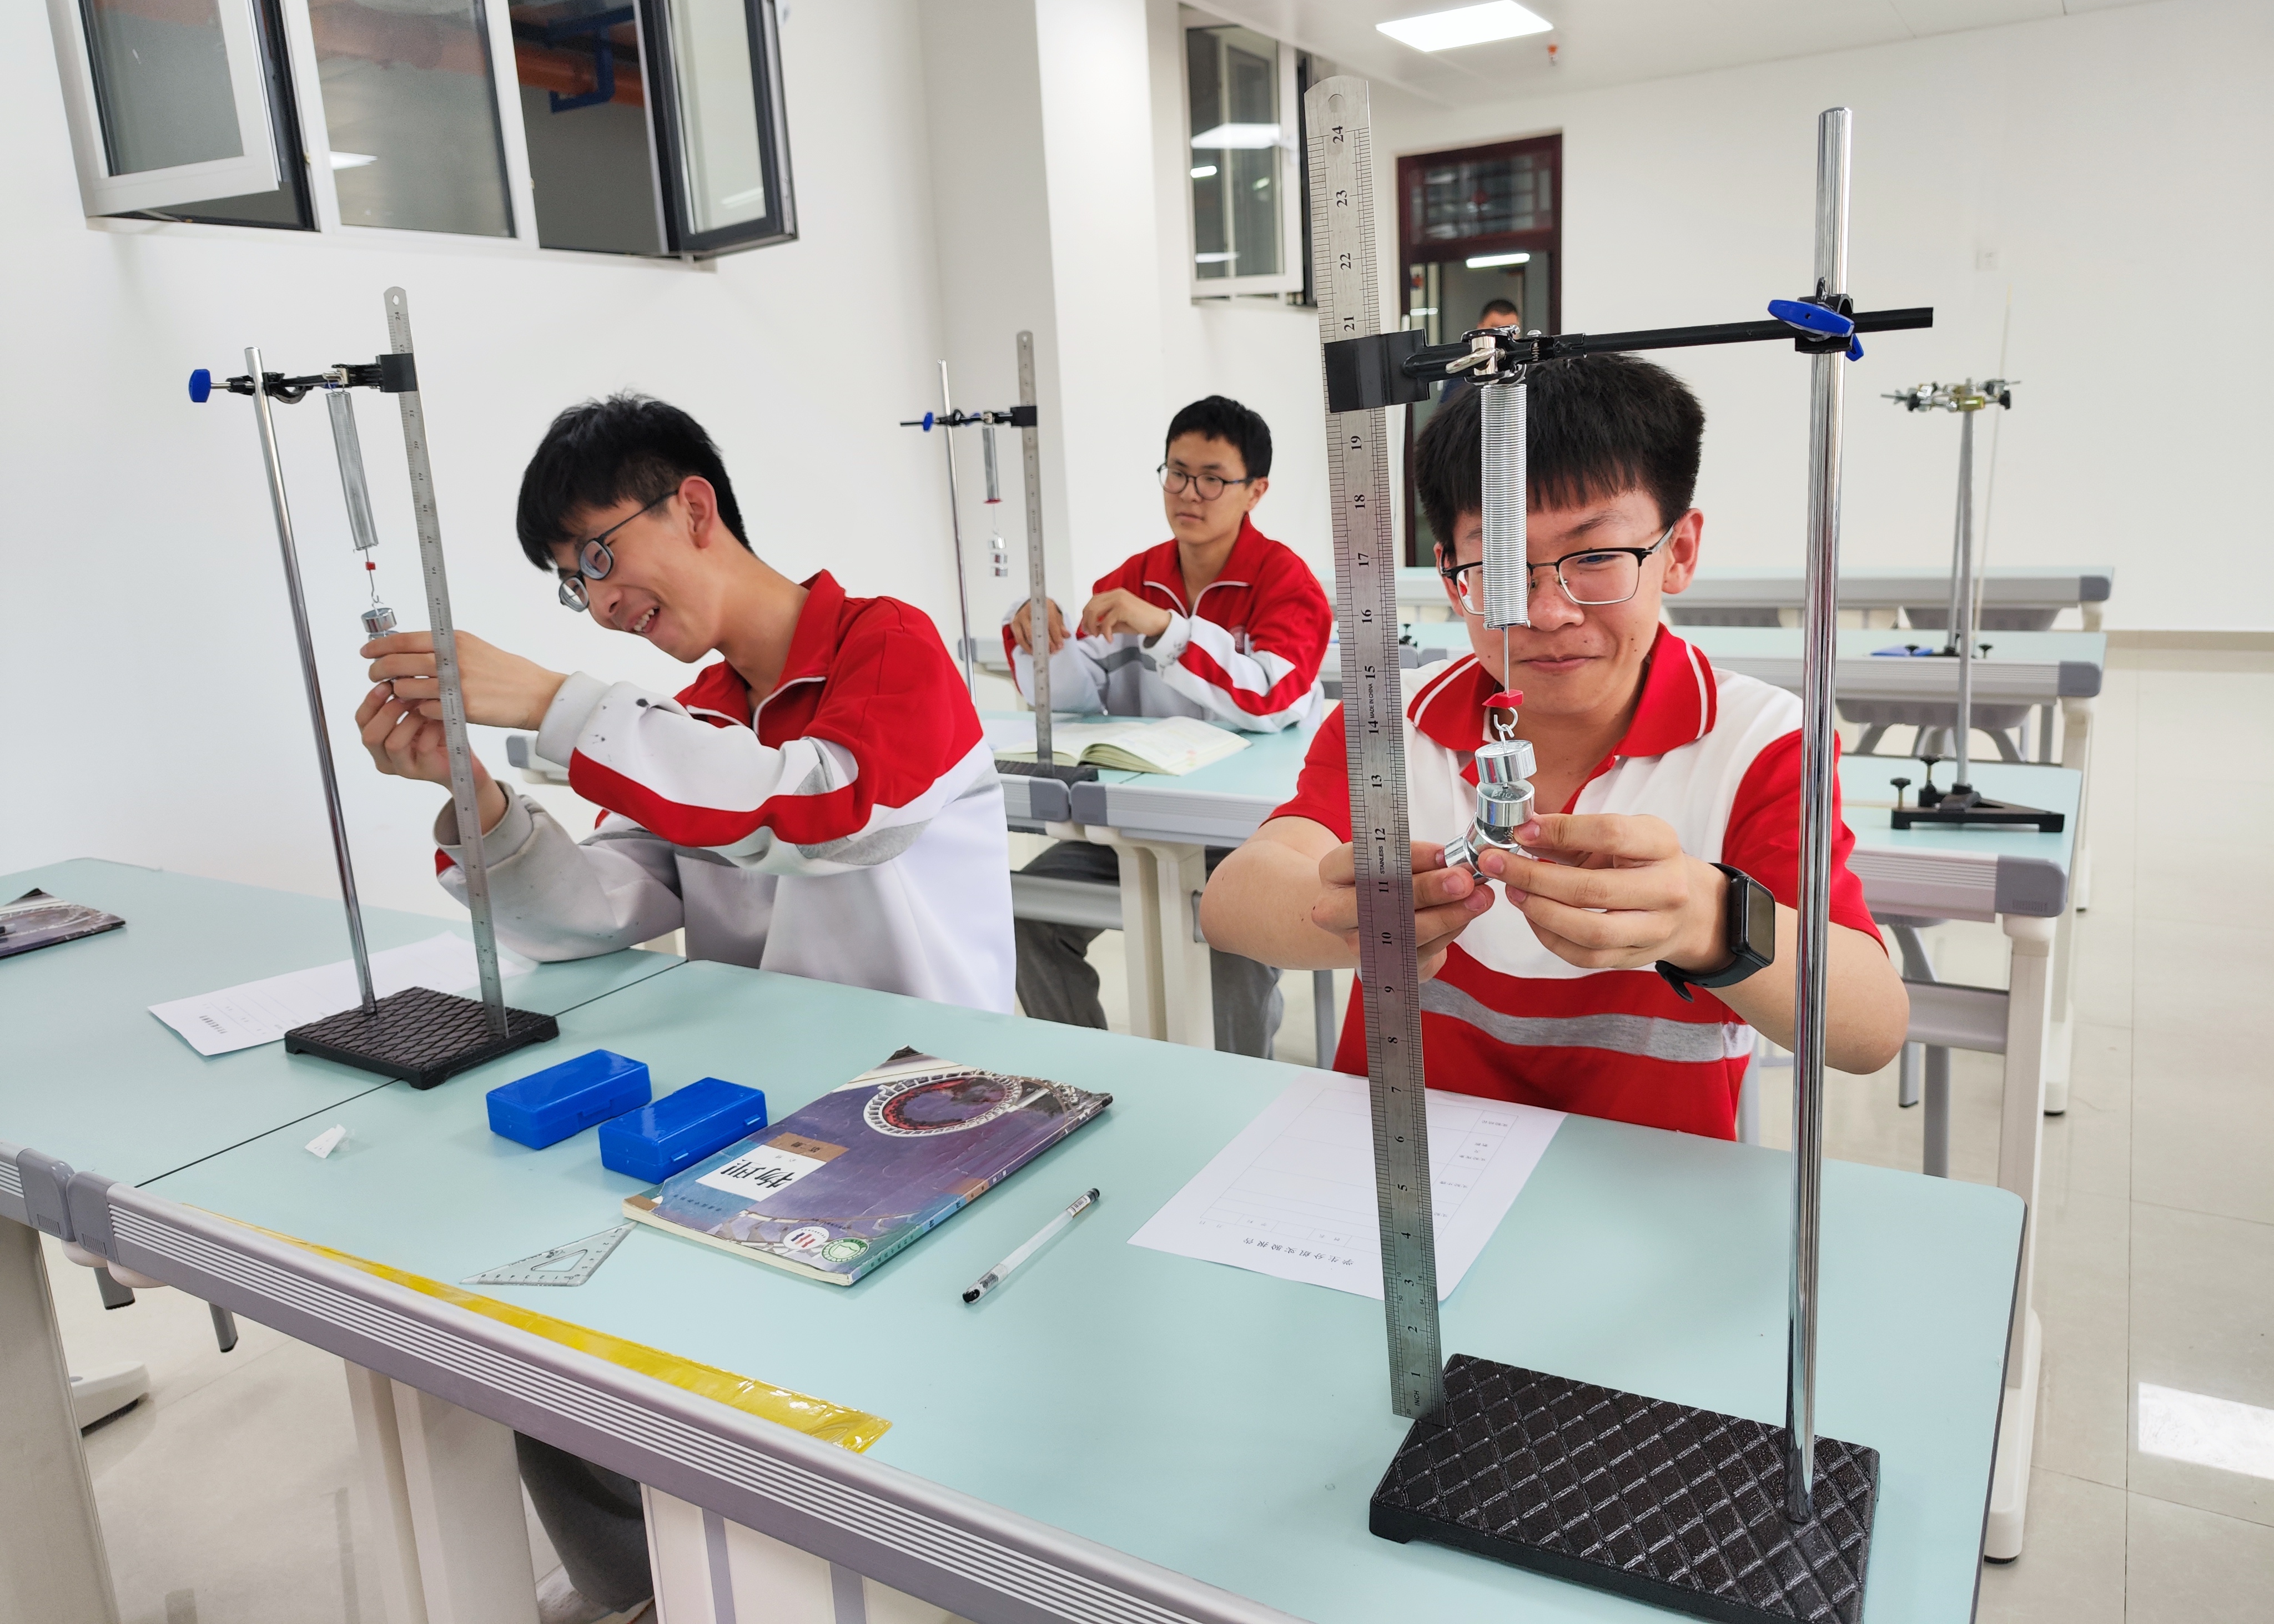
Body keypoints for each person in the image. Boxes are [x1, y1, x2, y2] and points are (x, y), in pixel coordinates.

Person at [353, 394, 1014, 1619]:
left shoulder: (888, 645)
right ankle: (654, 1592)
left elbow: (828, 810)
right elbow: (598, 905)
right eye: (573, 583)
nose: (599, 600)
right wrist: (477, 799)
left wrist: (558, 702)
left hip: (940, 1111)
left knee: (841, 1424)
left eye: (598, 554)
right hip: (769, 1111)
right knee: (548, 1363)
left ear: (694, 506)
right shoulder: (695, 716)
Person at [1199, 357, 1907, 1134]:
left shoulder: (1761, 742)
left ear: (1678, 551)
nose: (1547, 612)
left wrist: (1709, 922)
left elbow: (1870, 1028)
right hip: (1408, 1160)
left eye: (1596, 558)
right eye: (1500, 570)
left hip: (1645, 1175)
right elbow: (1233, 904)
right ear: (1450, 573)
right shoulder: (1390, 722)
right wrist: (1336, 912)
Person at [1003, 395, 1332, 1056]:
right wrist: (1042, 638)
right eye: (1176, 473)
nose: (1188, 493)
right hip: (1136, 829)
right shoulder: (1136, 576)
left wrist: (1166, 630)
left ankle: (1244, 1093)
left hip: (1243, 840)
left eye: (1212, 479)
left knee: (1237, 937)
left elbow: (1271, 699)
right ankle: (1089, 1075)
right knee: (1024, 915)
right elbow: (1074, 700)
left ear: (1255, 491)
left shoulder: (1286, 583)